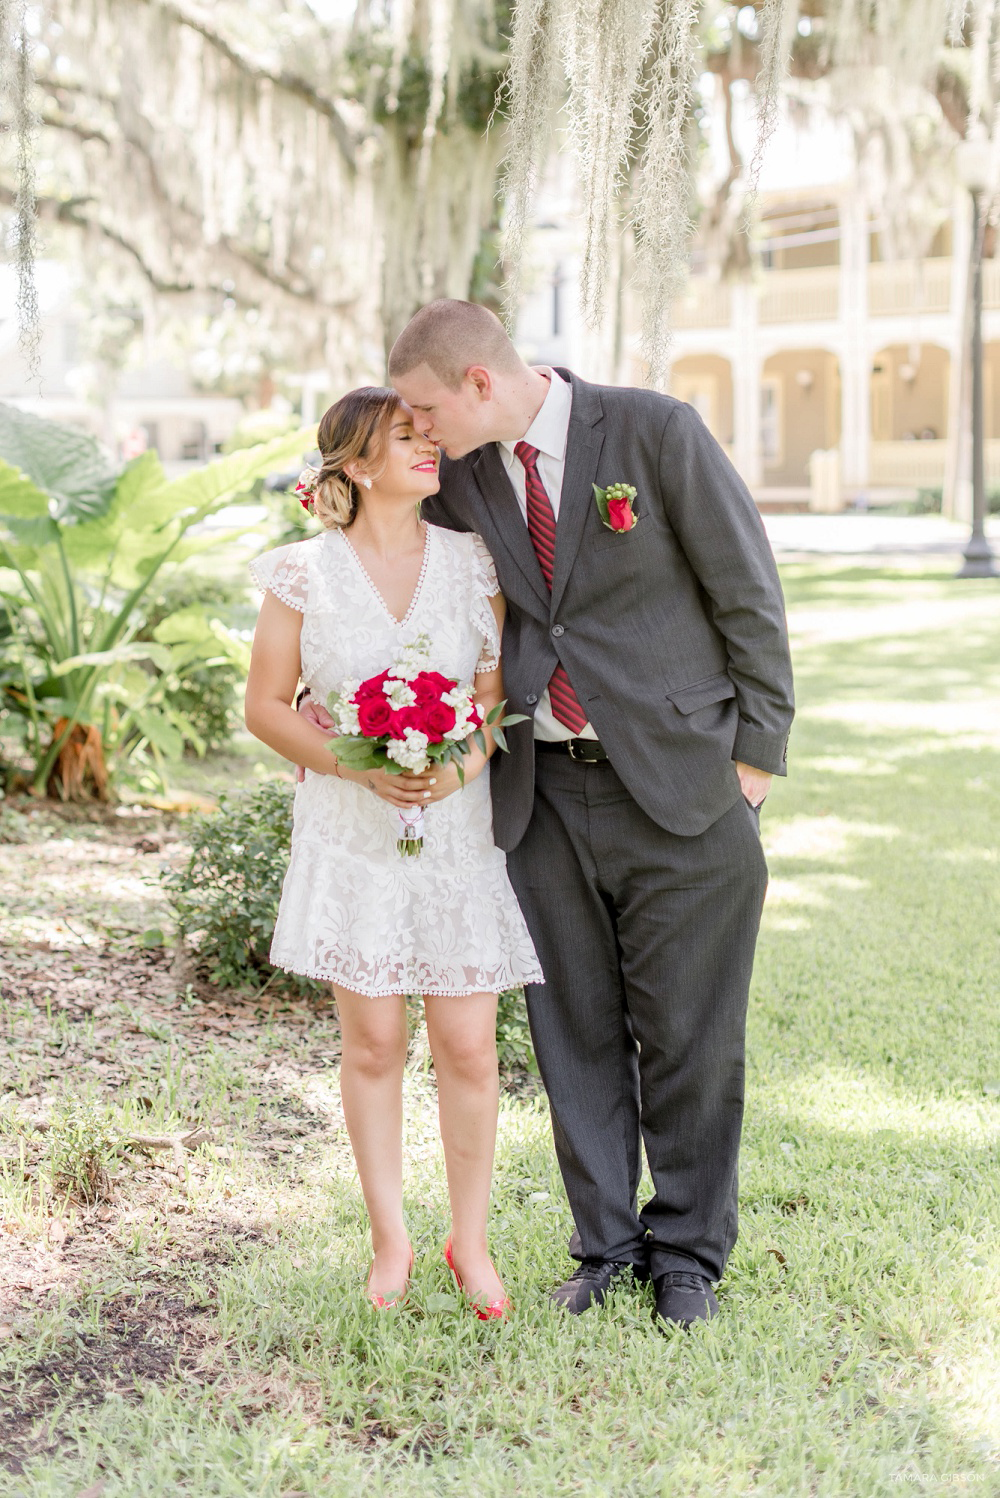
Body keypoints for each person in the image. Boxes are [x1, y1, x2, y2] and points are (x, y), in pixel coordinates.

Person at [376, 299, 794, 1330]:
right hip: (542, 796)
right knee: (574, 1034)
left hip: (683, 785)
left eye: (426, 406)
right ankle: (604, 1247)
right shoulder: (463, 477)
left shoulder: (652, 431)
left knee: (690, 1035)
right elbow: (390, 558)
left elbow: (748, 592)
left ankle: (687, 1254)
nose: (419, 429)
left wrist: (754, 759)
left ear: (477, 382)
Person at [244, 385, 543, 1318]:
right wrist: (353, 764)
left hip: (455, 833)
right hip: (351, 834)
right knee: (372, 1043)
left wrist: (453, 773)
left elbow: (495, 699)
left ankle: (473, 1242)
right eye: (405, 438)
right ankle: (390, 1242)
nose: (430, 448)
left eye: (429, 435)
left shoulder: (474, 561)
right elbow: (263, 706)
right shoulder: (302, 573)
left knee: (468, 1045)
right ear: (355, 465)